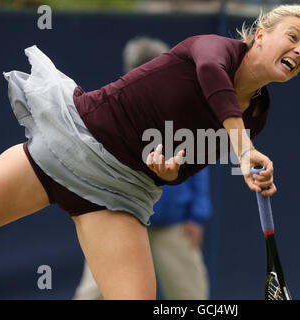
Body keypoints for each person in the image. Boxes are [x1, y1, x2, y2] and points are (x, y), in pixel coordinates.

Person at [0, 4, 300, 299]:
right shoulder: (212, 48)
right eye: (293, 37)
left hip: (119, 195)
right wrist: (245, 149)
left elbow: (188, 165)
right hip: (72, 145)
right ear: (260, 35)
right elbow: (212, 77)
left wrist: (170, 172)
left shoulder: (255, 117)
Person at [73, 37, 212, 300]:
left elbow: (199, 166)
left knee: (190, 296)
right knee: (92, 293)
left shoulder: (183, 109)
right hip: (118, 217)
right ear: (134, 72)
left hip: (172, 224)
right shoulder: (111, 106)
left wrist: (197, 215)